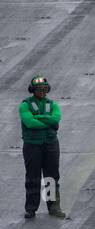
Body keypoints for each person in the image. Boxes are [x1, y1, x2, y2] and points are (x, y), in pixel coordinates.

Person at [19, 75, 66, 220]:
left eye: (44, 88)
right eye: (38, 89)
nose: (42, 91)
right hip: (32, 146)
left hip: (50, 144)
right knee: (32, 177)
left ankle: (53, 207)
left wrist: (38, 117)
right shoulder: (25, 105)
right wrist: (47, 122)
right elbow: (30, 123)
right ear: (32, 90)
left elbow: (56, 118)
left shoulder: (53, 105)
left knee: (51, 176)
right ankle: (31, 208)